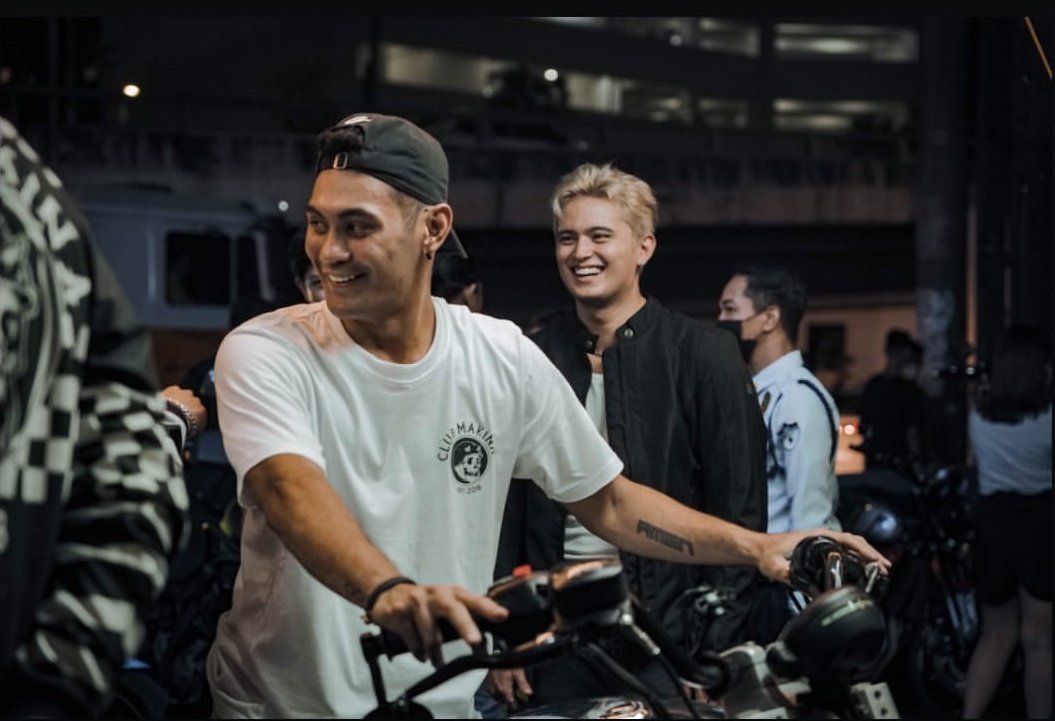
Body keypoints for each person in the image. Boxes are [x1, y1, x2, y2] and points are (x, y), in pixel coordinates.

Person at [204, 111, 887, 719]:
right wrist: (386, 590)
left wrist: (758, 547)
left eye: (357, 227)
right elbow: (288, 487)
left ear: (433, 228)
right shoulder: (267, 348)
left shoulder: (500, 354)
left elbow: (609, 501)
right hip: (284, 704)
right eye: (318, 224)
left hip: (442, 699)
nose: (328, 250)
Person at [486, 163, 768, 713]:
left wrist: (710, 649)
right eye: (567, 238)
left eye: (599, 236)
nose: (580, 253)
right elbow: (501, 512)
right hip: (553, 640)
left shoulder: (705, 356)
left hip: (668, 641)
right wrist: (508, 637)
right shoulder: (530, 357)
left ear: (643, 247)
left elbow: (739, 509)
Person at [0, 115, 189, 717]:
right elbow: (136, 466)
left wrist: (52, 687)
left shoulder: (22, 184)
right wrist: (60, 679)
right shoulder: (30, 187)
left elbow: (130, 460)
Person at [717, 261, 842, 642]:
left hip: (781, 590)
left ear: (769, 318)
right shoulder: (758, 391)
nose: (721, 321)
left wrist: (806, 611)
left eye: (730, 309)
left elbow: (811, 514)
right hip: (750, 579)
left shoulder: (798, 398)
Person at [963, 324, 1051, 720]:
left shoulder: (978, 417)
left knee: (996, 635)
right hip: (1039, 522)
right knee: (1039, 641)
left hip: (993, 522)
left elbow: (972, 464)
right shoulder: (1047, 419)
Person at [857, 328, 925, 468]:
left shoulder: (873, 385)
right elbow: (913, 430)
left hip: (876, 458)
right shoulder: (908, 389)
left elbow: (865, 423)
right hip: (900, 461)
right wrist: (916, 460)